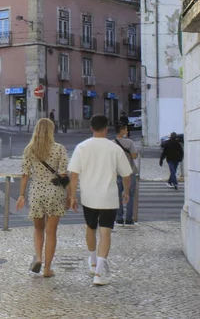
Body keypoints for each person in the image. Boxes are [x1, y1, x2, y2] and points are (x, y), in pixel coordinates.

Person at [68, 114, 132, 286]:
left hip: (88, 196)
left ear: (91, 128)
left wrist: (72, 196)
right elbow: (126, 175)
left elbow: (74, 175)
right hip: (109, 197)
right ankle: (99, 272)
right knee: (105, 232)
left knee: (90, 228)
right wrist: (126, 192)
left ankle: (93, 261)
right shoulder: (114, 149)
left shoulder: (82, 147)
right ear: (106, 128)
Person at [16, 118, 69, 278]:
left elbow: (25, 174)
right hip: (55, 191)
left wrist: (21, 195)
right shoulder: (59, 149)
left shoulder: (29, 149)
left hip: (36, 192)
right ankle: (47, 269)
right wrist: (70, 195)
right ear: (51, 131)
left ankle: (38, 258)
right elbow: (63, 174)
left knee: (38, 228)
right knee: (51, 231)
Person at [114, 124, 138, 225]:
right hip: (129, 172)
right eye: (126, 130)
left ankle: (119, 218)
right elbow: (134, 156)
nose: (127, 131)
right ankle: (129, 218)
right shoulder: (129, 142)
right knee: (130, 195)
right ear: (122, 131)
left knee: (118, 195)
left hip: (117, 172)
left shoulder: (111, 143)